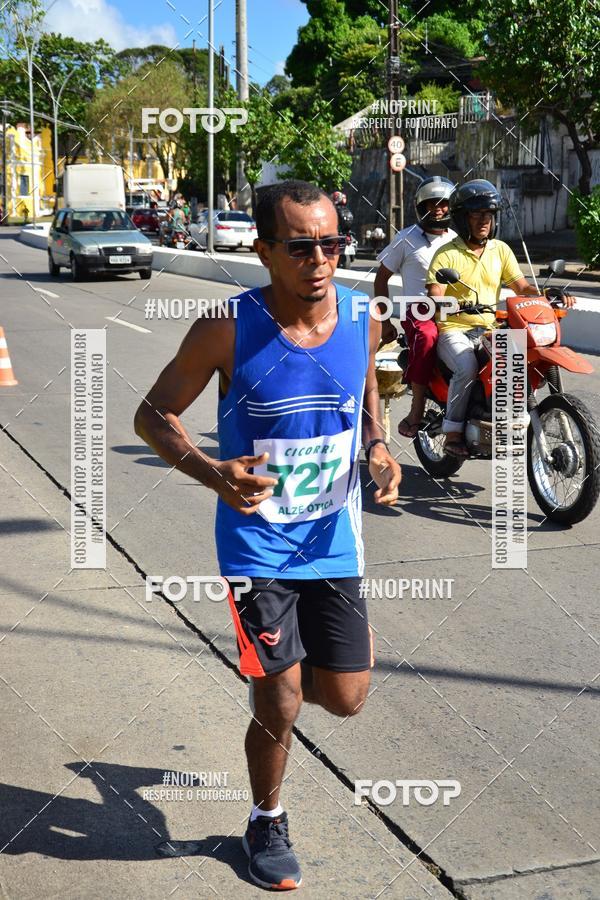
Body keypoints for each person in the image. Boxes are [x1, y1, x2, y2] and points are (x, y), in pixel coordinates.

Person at [134, 180, 401, 891]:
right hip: (256, 543)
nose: (321, 259)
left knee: (345, 697)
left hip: (333, 538)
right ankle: (265, 816)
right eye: (301, 246)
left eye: (332, 244)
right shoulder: (226, 327)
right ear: (263, 251)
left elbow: (366, 392)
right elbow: (152, 415)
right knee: (281, 695)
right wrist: (213, 472)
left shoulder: (362, 316)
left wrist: (376, 446)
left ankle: (272, 681)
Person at [426, 179, 573, 457]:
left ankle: (506, 415)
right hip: (454, 329)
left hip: (489, 327)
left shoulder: (500, 250)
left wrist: (545, 293)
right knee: (467, 365)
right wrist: (447, 302)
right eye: (476, 214)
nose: (484, 221)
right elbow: (435, 292)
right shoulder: (446, 253)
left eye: (489, 215)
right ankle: (453, 431)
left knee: (526, 355)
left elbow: (522, 287)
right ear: (462, 218)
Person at [374, 176, 455, 438]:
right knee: (428, 336)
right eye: (433, 204)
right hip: (420, 313)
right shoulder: (406, 239)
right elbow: (381, 278)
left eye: (444, 204)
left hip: (455, 311)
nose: (439, 209)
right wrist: (386, 321)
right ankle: (417, 405)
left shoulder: (458, 239)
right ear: (422, 207)